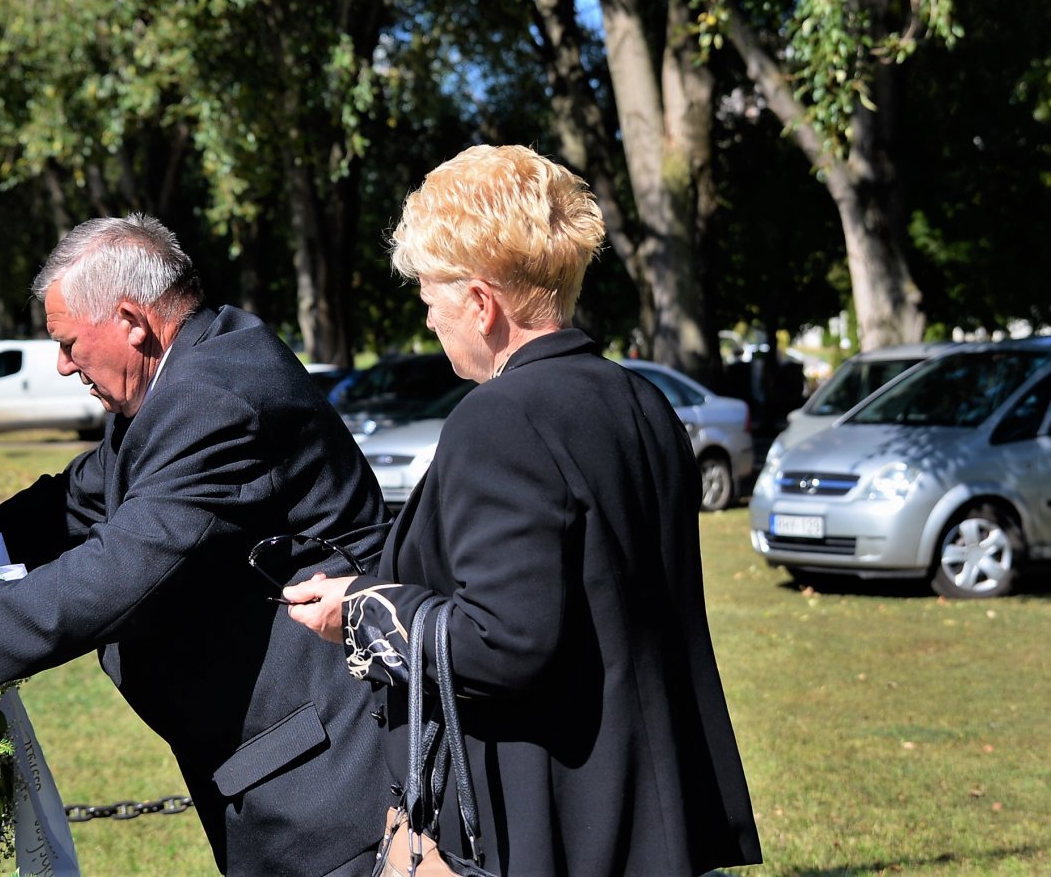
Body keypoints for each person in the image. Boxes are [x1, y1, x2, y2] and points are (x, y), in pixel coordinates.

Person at [285, 146, 761, 876]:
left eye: (431, 300)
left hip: (552, 824)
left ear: (481, 302)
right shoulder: (639, 400)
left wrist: (359, 610)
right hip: (649, 814)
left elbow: (505, 641)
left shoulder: (500, 417)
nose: (431, 321)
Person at [0, 215, 392, 877]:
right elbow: (70, 503)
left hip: (328, 785)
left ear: (131, 318)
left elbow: (127, 567)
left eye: (69, 342)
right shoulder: (182, 383)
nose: (63, 364)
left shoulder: (213, 396)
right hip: (286, 765)